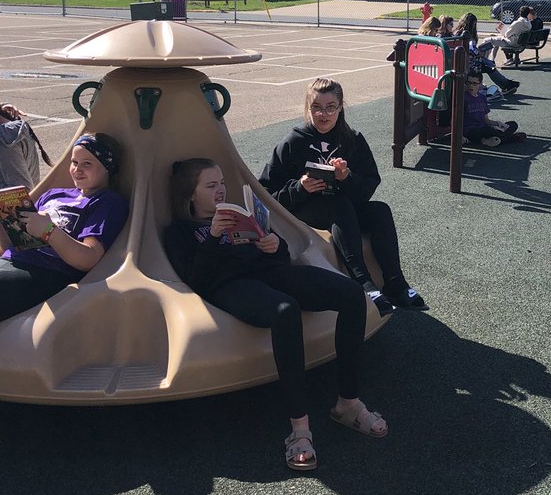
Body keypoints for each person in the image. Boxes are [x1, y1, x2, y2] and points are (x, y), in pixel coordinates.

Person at [165, 160, 387, 472]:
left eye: (221, 183)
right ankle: (299, 428)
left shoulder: (238, 214)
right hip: (231, 285)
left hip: (270, 271)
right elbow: (196, 278)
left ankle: (347, 404)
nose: (220, 190)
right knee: (285, 311)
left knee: (351, 294)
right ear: (190, 194)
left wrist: (273, 245)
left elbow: (281, 256)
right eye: (210, 185)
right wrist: (214, 236)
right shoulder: (180, 232)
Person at [260, 78, 426, 316]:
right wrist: (300, 187)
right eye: (316, 107)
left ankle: (395, 282)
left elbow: (368, 187)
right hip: (306, 212)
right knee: (338, 203)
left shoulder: (352, 139)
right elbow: (266, 193)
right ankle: (363, 282)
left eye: (330, 107)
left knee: (379, 210)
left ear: (340, 108)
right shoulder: (292, 143)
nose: (323, 114)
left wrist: (346, 178)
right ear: (308, 108)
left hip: (346, 209)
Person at [0, 132, 128, 327]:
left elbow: (89, 258)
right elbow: (10, 244)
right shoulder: (54, 194)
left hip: (45, 272)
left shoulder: (107, 202)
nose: (77, 170)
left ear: (108, 167)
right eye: (74, 162)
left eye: (87, 164)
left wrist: (49, 230)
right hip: (11, 261)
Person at [452, 13, 520, 95]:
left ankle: (506, 84)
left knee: (489, 64)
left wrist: (478, 51)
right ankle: (505, 84)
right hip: (467, 62)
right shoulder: (462, 34)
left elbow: (472, 50)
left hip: (472, 59)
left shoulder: (468, 33)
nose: (474, 26)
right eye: (473, 24)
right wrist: (478, 52)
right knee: (489, 66)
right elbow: (468, 50)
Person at [0, 96, 50, 189]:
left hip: (18, 202)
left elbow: (21, 191)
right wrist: (0, 108)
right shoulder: (11, 126)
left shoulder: (2, 141)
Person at [463, 73, 527, 148]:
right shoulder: (463, 97)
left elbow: (486, 120)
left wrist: (498, 123)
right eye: (469, 83)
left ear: (480, 84)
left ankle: (490, 140)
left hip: (484, 127)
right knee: (489, 130)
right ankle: (511, 138)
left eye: (474, 83)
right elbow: (457, 120)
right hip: (471, 130)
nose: (471, 86)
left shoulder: (482, 98)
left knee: (513, 124)